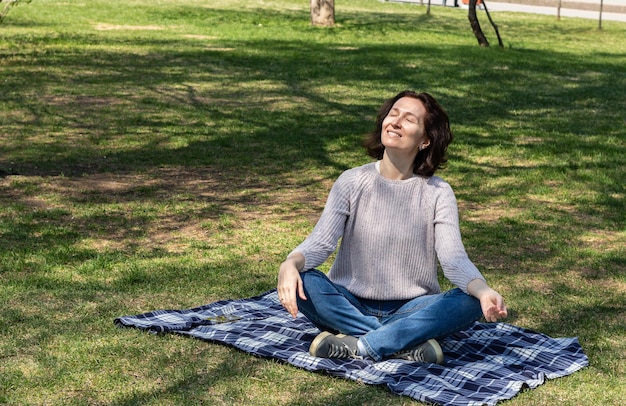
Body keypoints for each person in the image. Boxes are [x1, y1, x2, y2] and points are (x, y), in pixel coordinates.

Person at [277, 90, 507, 364]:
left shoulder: (437, 192)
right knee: (304, 279)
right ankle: (402, 344)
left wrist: (483, 291)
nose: (395, 122)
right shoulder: (352, 181)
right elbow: (320, 243)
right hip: (349, 302)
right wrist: (290, 263)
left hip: (412, 309)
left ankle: (362, 345)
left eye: (409, 119)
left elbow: (453, 258)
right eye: (393, 114)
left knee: (469, 301)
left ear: (425, 140)